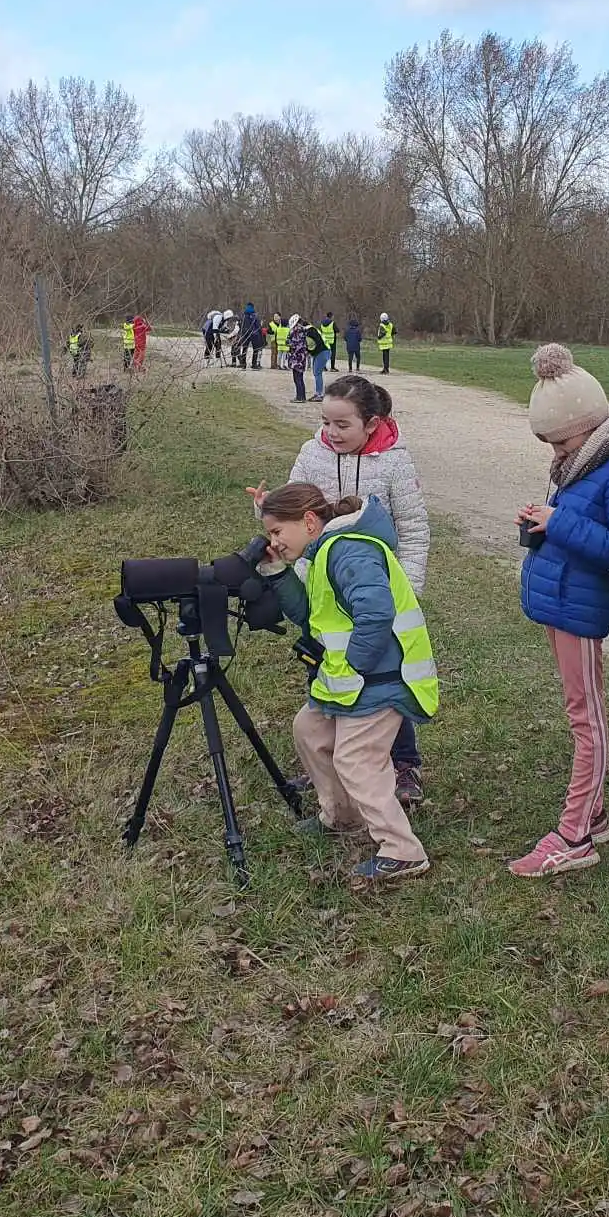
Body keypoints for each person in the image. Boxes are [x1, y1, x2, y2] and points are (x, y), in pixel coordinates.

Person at [256, 374, 433, 803]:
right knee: (323, 666)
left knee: (384, 678)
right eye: (326, 423)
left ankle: (403, 764)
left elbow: (413, 529)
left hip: (372, 589)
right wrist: (267, 511)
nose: (331, 433)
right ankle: (330, 762)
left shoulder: (392, 461)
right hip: (320, 586)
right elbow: (291, 506)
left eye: (342, 425)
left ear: (371, 423)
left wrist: (401, 587)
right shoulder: (311, 453)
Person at [507, 345, 609, 878]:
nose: (556, 452)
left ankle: (576, 835)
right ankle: (597, 813)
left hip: (581, 608)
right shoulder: (585, 462)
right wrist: (546, 521)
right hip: (560, 602)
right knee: (578, 713)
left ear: (588, 426)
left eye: (559, 440)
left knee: (587, 721)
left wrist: (559, 523)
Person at [257, 483, 437, 888]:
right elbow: (310, 617)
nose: (274, 541)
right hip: (351, 681)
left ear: (307, 521)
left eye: (277, 532)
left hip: (382, 679)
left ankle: (402, 851)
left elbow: (375, 614)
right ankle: (343, 815)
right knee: (309, 729)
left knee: (357, 759)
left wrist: (355, 666)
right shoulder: (324, 553)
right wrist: (275, 572)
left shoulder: (349, 550)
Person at [310, 312, 336, 400]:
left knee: (317, 372)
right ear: (331, 316)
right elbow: (337, 331)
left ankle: (319, 393)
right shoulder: (332, 323)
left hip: (322, 349)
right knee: (317, 372)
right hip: (329, 345)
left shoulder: (321, 324)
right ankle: (319, 392)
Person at [285, 314, 311, 402]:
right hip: (302, 357)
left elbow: (291, 343)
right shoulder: (304, 330)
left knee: (297, 378)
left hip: (296, 358)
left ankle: (299, 397)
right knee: (300, 377)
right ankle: (302, 396)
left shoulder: (296, 331)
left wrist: (288, 342)